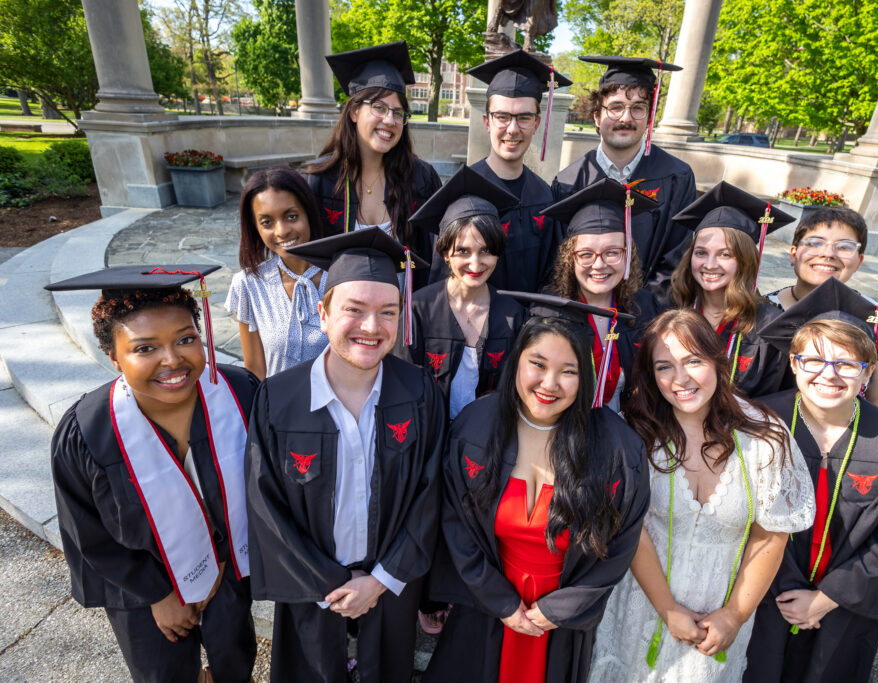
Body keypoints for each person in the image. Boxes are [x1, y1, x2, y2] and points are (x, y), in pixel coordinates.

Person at [245, 229, 447, 683]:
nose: (371, 327)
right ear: (322, 312)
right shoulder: (279, 399)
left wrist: (381, 579)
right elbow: (266, 504)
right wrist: (326, 584)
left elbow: (430, 494)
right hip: (310, 587)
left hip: (393, 585)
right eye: (354, 310)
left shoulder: (419, 393)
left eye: (387, 312)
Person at [423, 293, 651, 683]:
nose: (550, 384)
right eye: (538, 364)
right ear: (516, 362)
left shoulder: (614, 447)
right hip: (488, 606)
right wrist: (502, 601)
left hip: (560, 619)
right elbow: (455, 523)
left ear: (587, 376)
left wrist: (558, 610)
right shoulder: (477, 427)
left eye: (569, 371)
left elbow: (621, 544)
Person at [48, 265, 258, 683]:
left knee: (233, 661)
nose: (172, 360)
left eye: (186, 339)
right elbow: (87, 532)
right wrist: (159, 595)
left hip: (229, 571)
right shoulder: (89, 431)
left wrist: (219, 562)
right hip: (142, 591)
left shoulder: (240, 394)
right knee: (164, 673)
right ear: (113, 357)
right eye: (145, 349)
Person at [590, 308, 814, 682]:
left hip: (720, 608)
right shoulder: (639, 432)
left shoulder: (765, 436)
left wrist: (735, 615)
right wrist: (668, 609)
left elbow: (771, 534)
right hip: (642, 600)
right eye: (664, 367)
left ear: (717, 361)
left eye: (693, 361)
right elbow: (632, 528)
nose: (680, 379)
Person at [744, 278, 878, 683]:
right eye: (813, 361)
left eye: (846, 364)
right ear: (794, 364)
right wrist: (789, 591)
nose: (829, 375)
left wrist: (826, 599)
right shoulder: (759, 424)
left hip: (846, 611)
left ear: (868, 372)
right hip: (761, 596)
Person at [551, 56, 696, 300]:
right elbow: (560, 263)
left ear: (649, 118)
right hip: (583, 314)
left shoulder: (677, 177)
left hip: (650, 316)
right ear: (597, 116)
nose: (625, 118)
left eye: (638, 108)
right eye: (615, 107)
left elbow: (677, 260)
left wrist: (642, 314)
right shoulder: (569, 182)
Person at [303, 41, 442, 285]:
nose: (390, 120)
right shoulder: (321, 180)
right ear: (354, 112)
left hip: (404, 313)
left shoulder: (421, 178)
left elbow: (436, 251)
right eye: (379, 107)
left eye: (398, 113)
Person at [399, 164, 525, 420]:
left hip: (486, 443)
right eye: (463, 251)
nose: (476, 264)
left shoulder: (513, 315)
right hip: (428, 442)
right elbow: (403, 387)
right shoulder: (419, 309)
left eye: (486, 251)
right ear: (445, 253)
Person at [763, 207, 878, 413]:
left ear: (859, 261)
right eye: (814, 243)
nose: (828, 253)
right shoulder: (761, 310)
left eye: (844, 247)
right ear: (793, 254)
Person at [542, 177, 663, 410]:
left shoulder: (647, 309)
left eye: (612, 252)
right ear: (570, 258)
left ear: (628, 255)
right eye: (586, 254)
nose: (599, 265)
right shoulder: (548, 312)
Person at [669, 181, 795, 399]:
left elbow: (776, 398)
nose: (709, 264)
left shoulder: (769, 325)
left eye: (725, 254)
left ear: (745, 260)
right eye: (701, 253)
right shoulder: (673, 306)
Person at [461, 49, 572, 292]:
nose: (512, 129)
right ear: (487, 122)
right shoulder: (463, 193)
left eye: (523, 117)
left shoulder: (544, 196)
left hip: (533, 324)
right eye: (502, 116)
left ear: (536, 124)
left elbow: (552, 275)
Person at [226, 166, 328, 379]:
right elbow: (255, 370)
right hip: (280, 406)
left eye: (291, 216)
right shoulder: (248, 284)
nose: (281, 231)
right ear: (255, 228)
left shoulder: (341, 277)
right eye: (267, 222)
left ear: (308, 213)